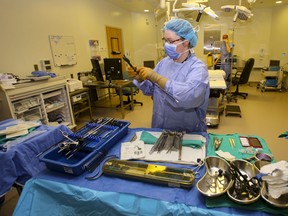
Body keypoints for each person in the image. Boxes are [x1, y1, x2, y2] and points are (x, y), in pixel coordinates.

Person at [128, 18, 210, 133]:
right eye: (165, 40)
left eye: (171, 41)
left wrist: (157, 78)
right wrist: (140, 78)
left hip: (188, 132)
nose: (167, 45)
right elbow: (151, 90)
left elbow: (190, 97)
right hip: (160, 126)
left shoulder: (198, 68)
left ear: (186, 42)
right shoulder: (163, 63)